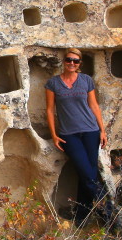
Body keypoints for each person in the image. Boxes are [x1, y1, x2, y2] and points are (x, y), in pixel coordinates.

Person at [45, 48, 114, 227]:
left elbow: (94, 106)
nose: (72, 64)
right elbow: (50, 110)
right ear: (64, 61)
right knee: (88, 175)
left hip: (91, 131)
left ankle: (82, 215)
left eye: (76, 61)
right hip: (69, 134)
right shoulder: (53, 83)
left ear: (79, 64)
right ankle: (110, 216)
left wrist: (102, 130)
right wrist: (54, 134)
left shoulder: (86, 81)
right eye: (69, 60)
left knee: (87, 174)